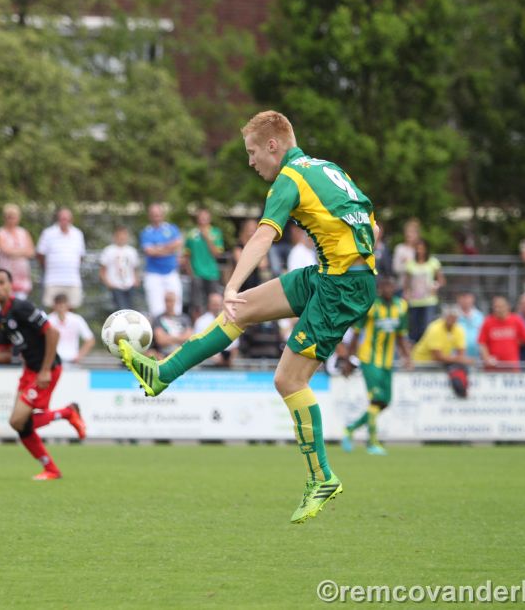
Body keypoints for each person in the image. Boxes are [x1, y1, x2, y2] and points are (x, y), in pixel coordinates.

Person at [118, 110, 378, 524]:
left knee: (288, 379)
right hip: (335, 273)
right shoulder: (326, 168)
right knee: (243, 312)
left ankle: (322, 477)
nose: (251, 161)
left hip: (341, 284)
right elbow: (372, 227)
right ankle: (161, 374)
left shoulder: (290, 178)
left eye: (253, 152)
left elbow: (262, 235)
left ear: (274, 146)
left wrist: (231, 285)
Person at [0, 268, 88, 480]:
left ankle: (69, 413)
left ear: (10, 285)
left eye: (1, 282)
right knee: (19, 424)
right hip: (29, 371)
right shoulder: (1, 319)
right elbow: (7, 355)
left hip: (47, 368)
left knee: (18, 421)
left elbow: (53, 332)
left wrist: (45, 369)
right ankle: (51, 468)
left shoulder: (21, 307)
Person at [339, 276, 411, 456]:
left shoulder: (401, 306)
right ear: (379, 288)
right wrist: (349, 359)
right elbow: (356, 333)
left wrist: (407, 356)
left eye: (390, 285)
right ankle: (371, 442)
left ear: (394, 287)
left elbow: (401, 335)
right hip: (369, 360)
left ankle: (351, 428)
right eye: (384, 285)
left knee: (385, 402)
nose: (388, 288)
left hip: (387, 362)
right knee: (376, 400)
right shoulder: (371, 306)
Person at [36, 207, 86, 309]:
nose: (64, 221)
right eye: (62, 218)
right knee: (52, 309)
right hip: (53, 279)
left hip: (72, 279)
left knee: (72, 308)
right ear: (58, 219)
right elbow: (40, 254)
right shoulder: (48, 233)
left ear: (71, 220)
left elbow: (81, 256)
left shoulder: (78, 234)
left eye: (67, 219)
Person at [139, 203, 183, 317]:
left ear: (163, 215)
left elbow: (178, 244)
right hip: (153, 274)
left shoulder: (172, 228)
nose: (156, 217)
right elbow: (149, 252)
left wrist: (158, 248)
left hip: (171, 272)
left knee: (176, 306)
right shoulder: (146, 232)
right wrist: (169, 249)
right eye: (154, 215)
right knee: (156, 309)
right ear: (150, 216)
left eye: (158, 214)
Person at [183, 208, 225, 313]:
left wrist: (207, 238)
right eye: (201, 217)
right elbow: (186, 255)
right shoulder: (191, 234)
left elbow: (217, 254)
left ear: (209, 219)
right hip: (196, 274)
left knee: (214, 304)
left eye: (205, 217)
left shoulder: (216, 232)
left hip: (212, 273)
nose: (203, 219)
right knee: (196, 305)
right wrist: (190, 273)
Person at [402, 239, 443, 342]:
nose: (420, 251)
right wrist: (406, 293)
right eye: (418, 249)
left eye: (422, 249)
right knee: (414, 328)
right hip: (414, 301)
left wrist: (436, 286)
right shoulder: (410, 264)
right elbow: (406, 283)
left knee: (427, 327)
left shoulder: (433, 262)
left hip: (429, 300)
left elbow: (441, 279)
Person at [477, 296, 525, 370]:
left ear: (507, 307)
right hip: (493, 368)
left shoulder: (516, 320)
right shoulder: (488, 322)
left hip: (512, 367)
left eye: (501, 307)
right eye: (496, 307)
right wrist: (487, 358)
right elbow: (482, 343)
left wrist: (516, 342)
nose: (498, 309)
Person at [0, 203, 35, 300]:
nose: (11, 219)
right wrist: (22, 252)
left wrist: (14, 252)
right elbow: (5, 250)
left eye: (14, 217)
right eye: (9, 217)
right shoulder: (0, 232)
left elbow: (31, 252)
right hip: (7, 275)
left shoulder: (23, 232)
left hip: (22, 278)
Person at [99, 225, 140, 311]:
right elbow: (102, 270)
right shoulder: (108, 250)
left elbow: (135, 268)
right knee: (120, 310)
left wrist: (136, 280)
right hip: (116, 285)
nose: (121, 238)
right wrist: (109, 283)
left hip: (129, 284)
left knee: (131, 309)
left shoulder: (131, 251)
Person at [47, 293, 95, 366]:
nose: (60, 308)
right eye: (58, 305)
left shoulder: (77, 319)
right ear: (54, 306)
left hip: (71, 362)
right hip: (53, 362)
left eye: (62, 305)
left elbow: (90, 340)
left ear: (67, 306)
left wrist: (79, 356)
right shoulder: (48, 320)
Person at [192, 292, 238, 367]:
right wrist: (214, 357)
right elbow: (198, 344)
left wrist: (231, 359)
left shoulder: (230, 319)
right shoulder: (201, 321)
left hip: (227, 362)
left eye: (219, 304)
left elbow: (235, 345)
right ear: (209, 305)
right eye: (214, 304)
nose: (217, 307)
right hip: (207, 363)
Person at [151, 291, 193, 357]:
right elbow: (160, 340)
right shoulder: (158, 319)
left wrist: (168, 338)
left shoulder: (185, 318)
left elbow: (189, 338)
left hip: (182, 355)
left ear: (175, 301)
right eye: (167, 301)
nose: (169, 304)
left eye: (171, 301)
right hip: (163, 355)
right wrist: (180, 338)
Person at [391, 219, 421, 295]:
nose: (409, 234)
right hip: (402, 288)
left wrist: (409, 263)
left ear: (417, 234)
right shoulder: (400, 248)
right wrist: (409, 265)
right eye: (407, 232)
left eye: (412, 232)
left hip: (418, 289)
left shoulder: (420, 249)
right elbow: (396, 268)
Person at [455, 291, 484, 360]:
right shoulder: (452, 317)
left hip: (476, 358)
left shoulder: (480, 316)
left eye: (468, 298)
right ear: (458, 299)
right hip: (457, 358)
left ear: (473, 299)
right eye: (463, 298)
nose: (465, 301)